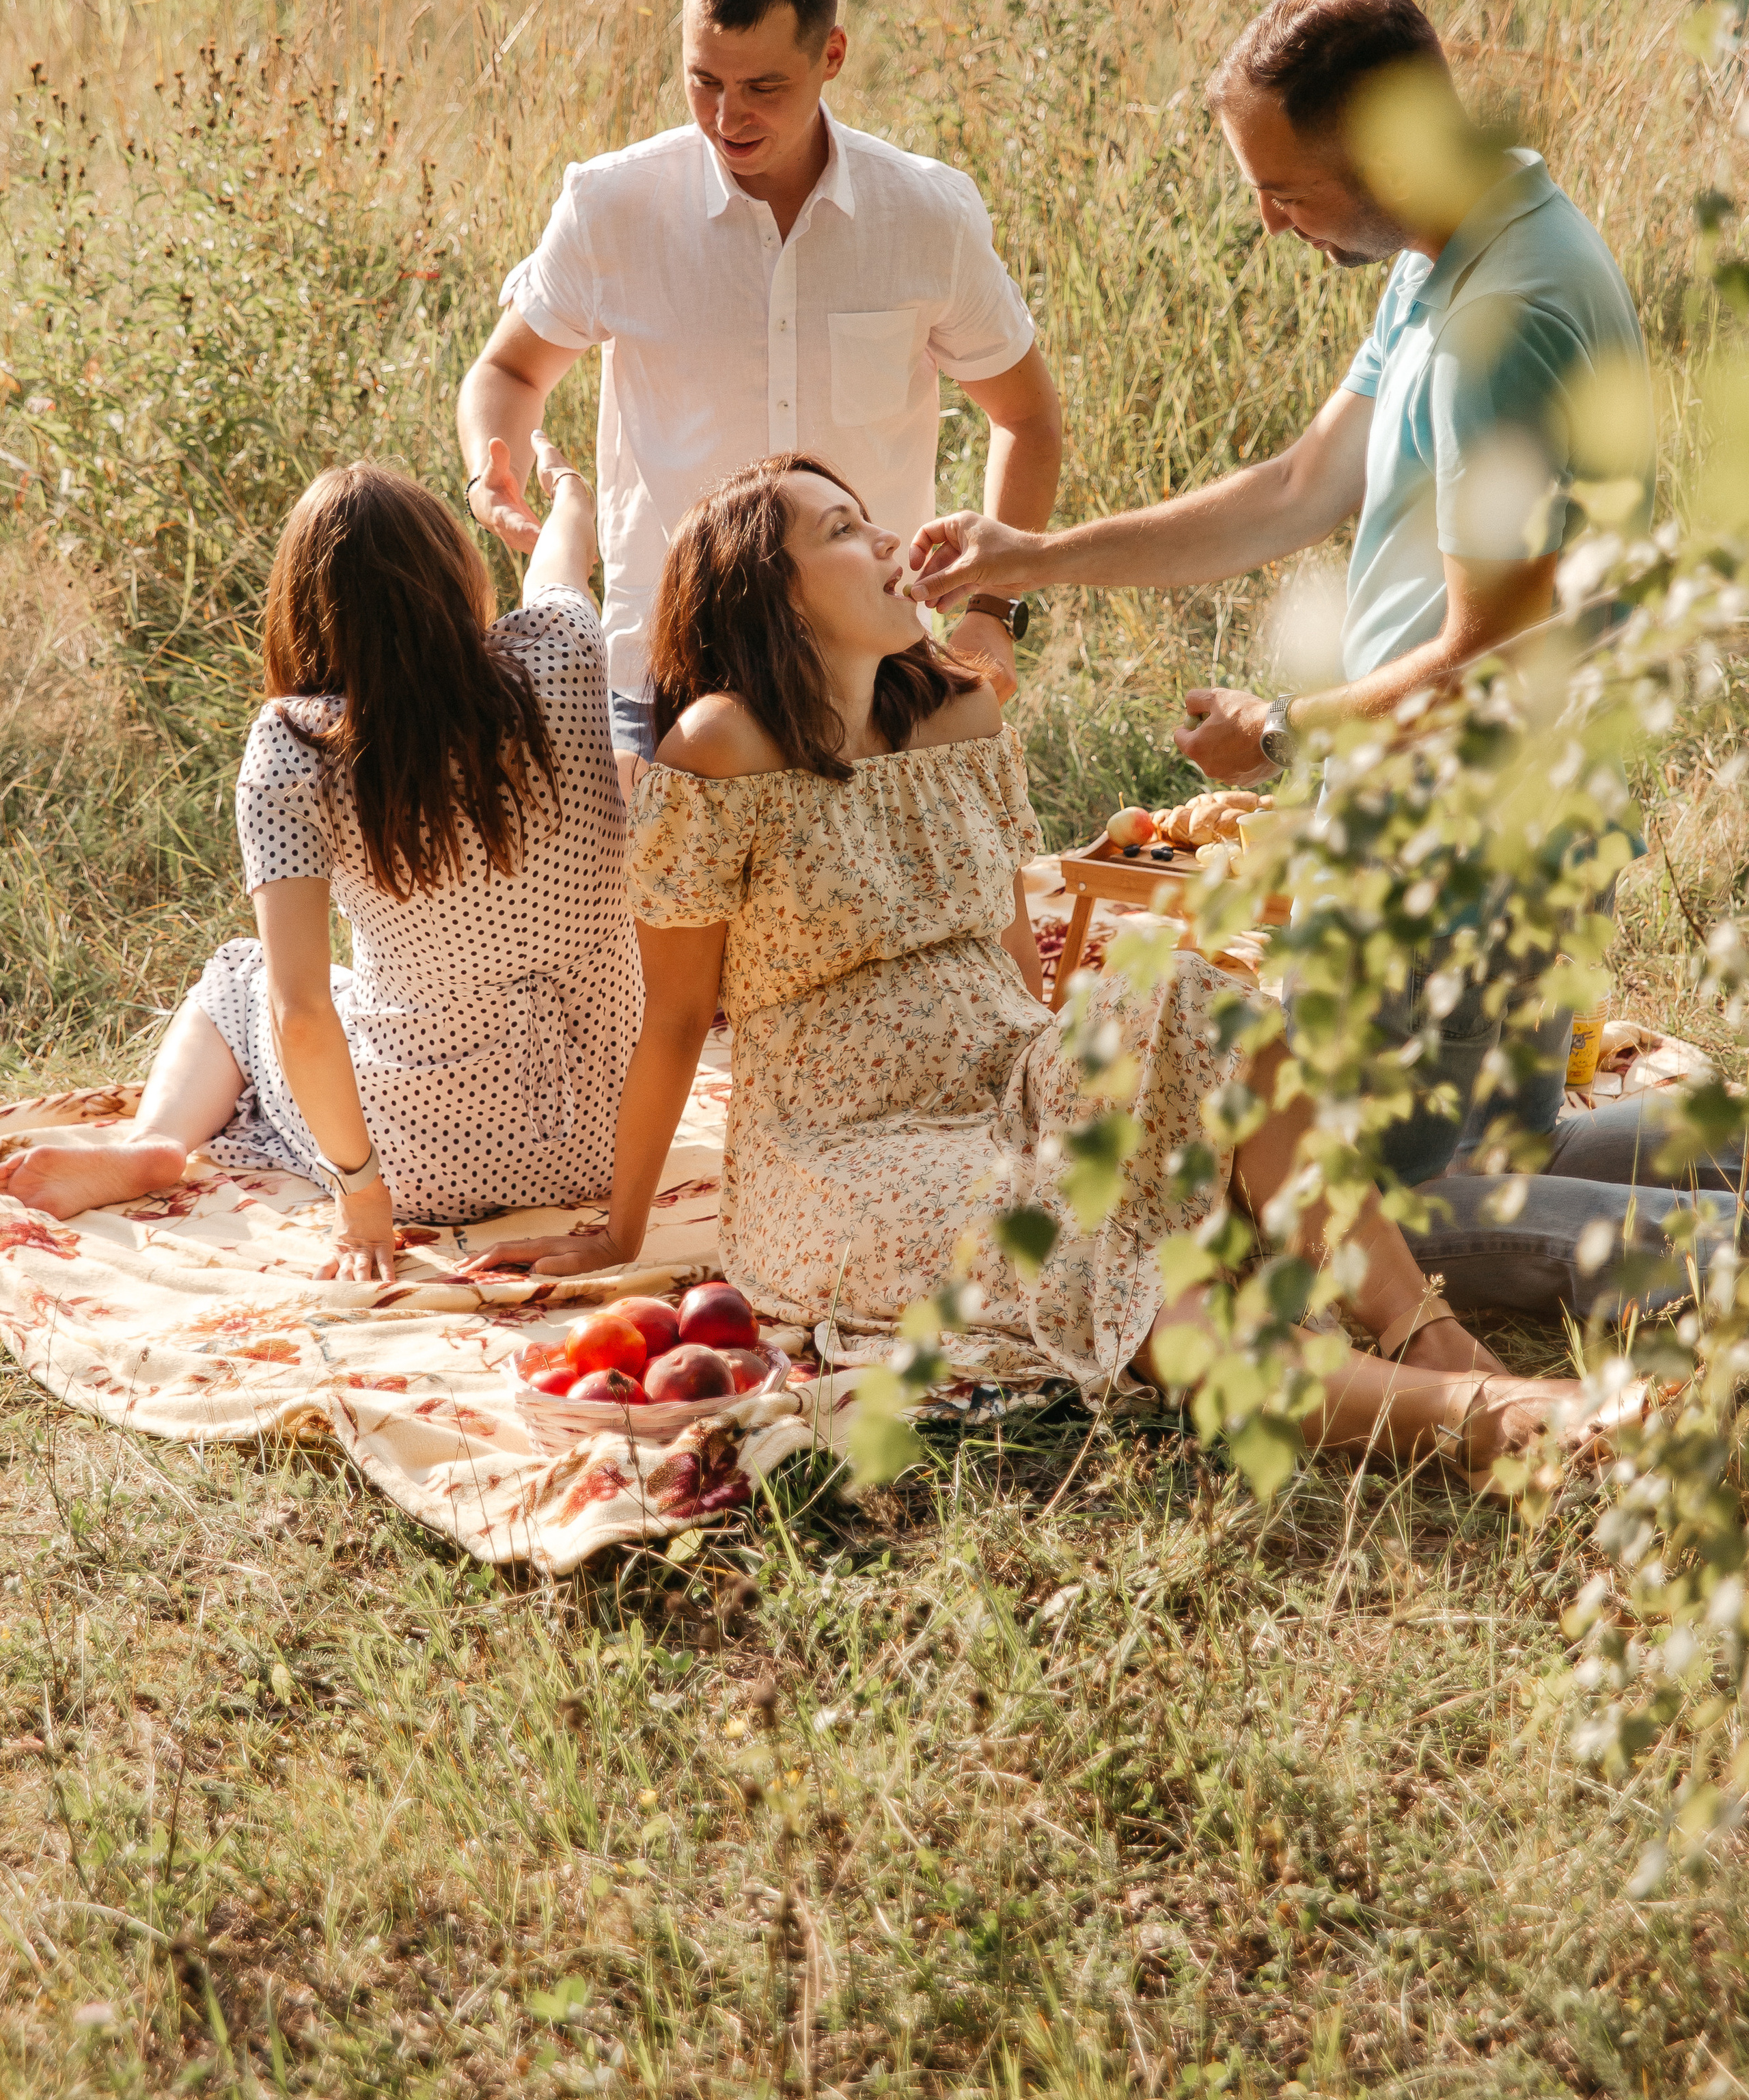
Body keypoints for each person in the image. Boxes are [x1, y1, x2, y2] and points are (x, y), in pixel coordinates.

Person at [469, 453, 1616, 1489]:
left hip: (1008, 1076)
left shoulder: (962, 709)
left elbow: (1024, 959)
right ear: (767, 597)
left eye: (871, 520)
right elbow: (674, 1019)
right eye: (841, 533)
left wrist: (1117, 1078)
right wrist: (623, 1232)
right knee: (1098, 1264)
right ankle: (1471, 1418)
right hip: (847, 1143)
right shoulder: (719, 746)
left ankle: (1438, 1338)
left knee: (1201, 1000)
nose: (887, 544)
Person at [905, 0, 1741, 1292]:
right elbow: (1299, 487)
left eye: (1286, 188)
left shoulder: (1502, 320)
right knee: (1504, 1155)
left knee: (1370, 1221)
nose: (1269, 219)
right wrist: (1039, 554)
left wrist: (1283, 732)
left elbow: (1481, 659)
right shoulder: (1449, 248)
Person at [0, 445, 640, 1283]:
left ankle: (155, 1144)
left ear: (306, 609)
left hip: (422, 1161)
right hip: (612, 1134)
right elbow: (563, 559)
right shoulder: (561, 655)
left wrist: (363, 1191)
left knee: (241, 974)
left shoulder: (297, 745)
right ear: (457, 572)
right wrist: (563, 491)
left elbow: (299, 1011)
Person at [456, 0, 1062, 780]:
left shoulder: (926, 217)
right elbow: (509, 369)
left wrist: (992, 609)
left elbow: (1027, 416)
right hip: (658, 684)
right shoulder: (615, 206)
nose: (726, 117)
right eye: (702, 81)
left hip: (876, 682)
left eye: (763, 87)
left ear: (833, 56)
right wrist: (493, 475)